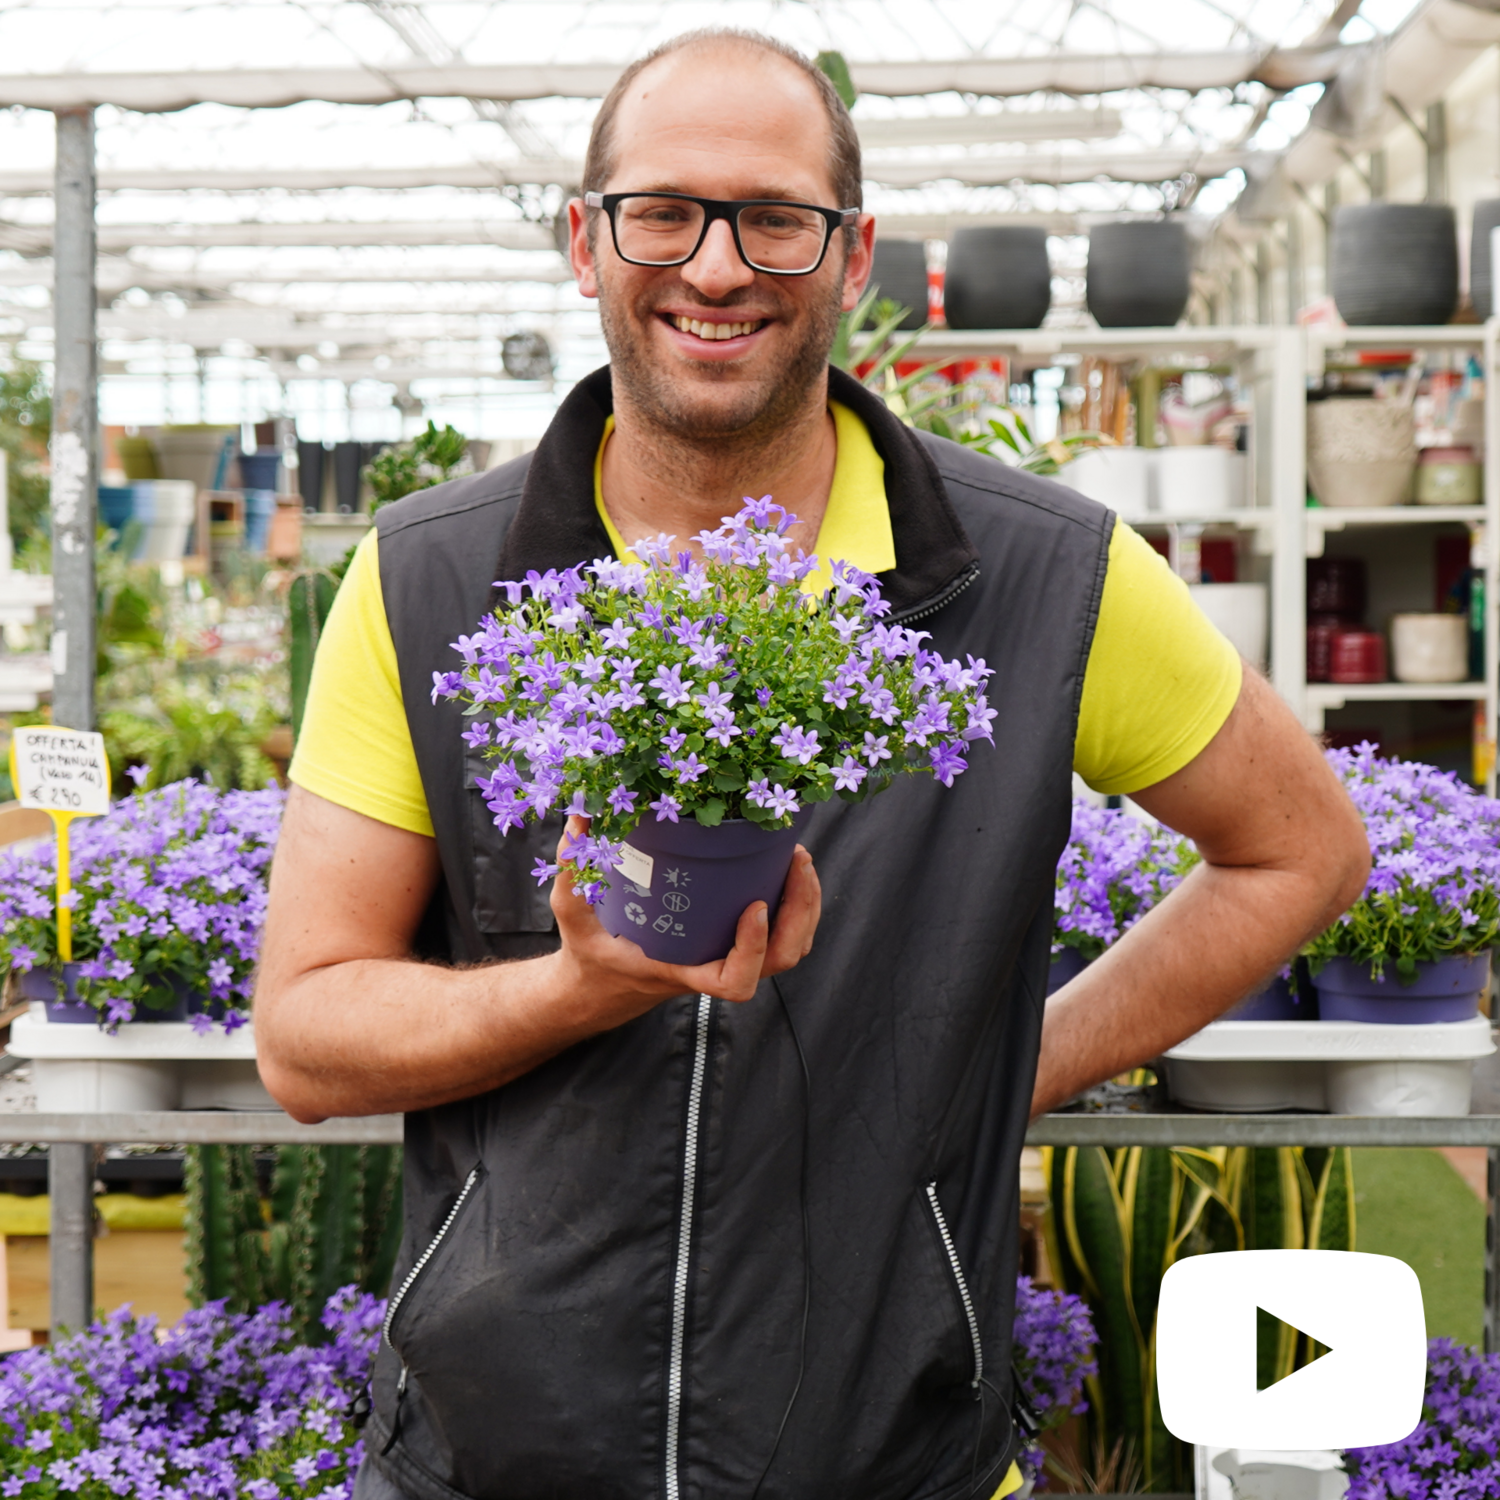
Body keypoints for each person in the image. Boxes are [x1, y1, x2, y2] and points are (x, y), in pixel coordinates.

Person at [255, 28, 1370, 1500]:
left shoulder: (1044, 577)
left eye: (776, 218)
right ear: (583, 243)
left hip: (897, 1459)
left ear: (853, 262)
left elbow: (1303, 850)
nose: (717, 268)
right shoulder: (430, 584)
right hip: (497, 1461)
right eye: (664, 211)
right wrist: (576, 987)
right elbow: (308, 1039)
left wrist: (1000, 1070)